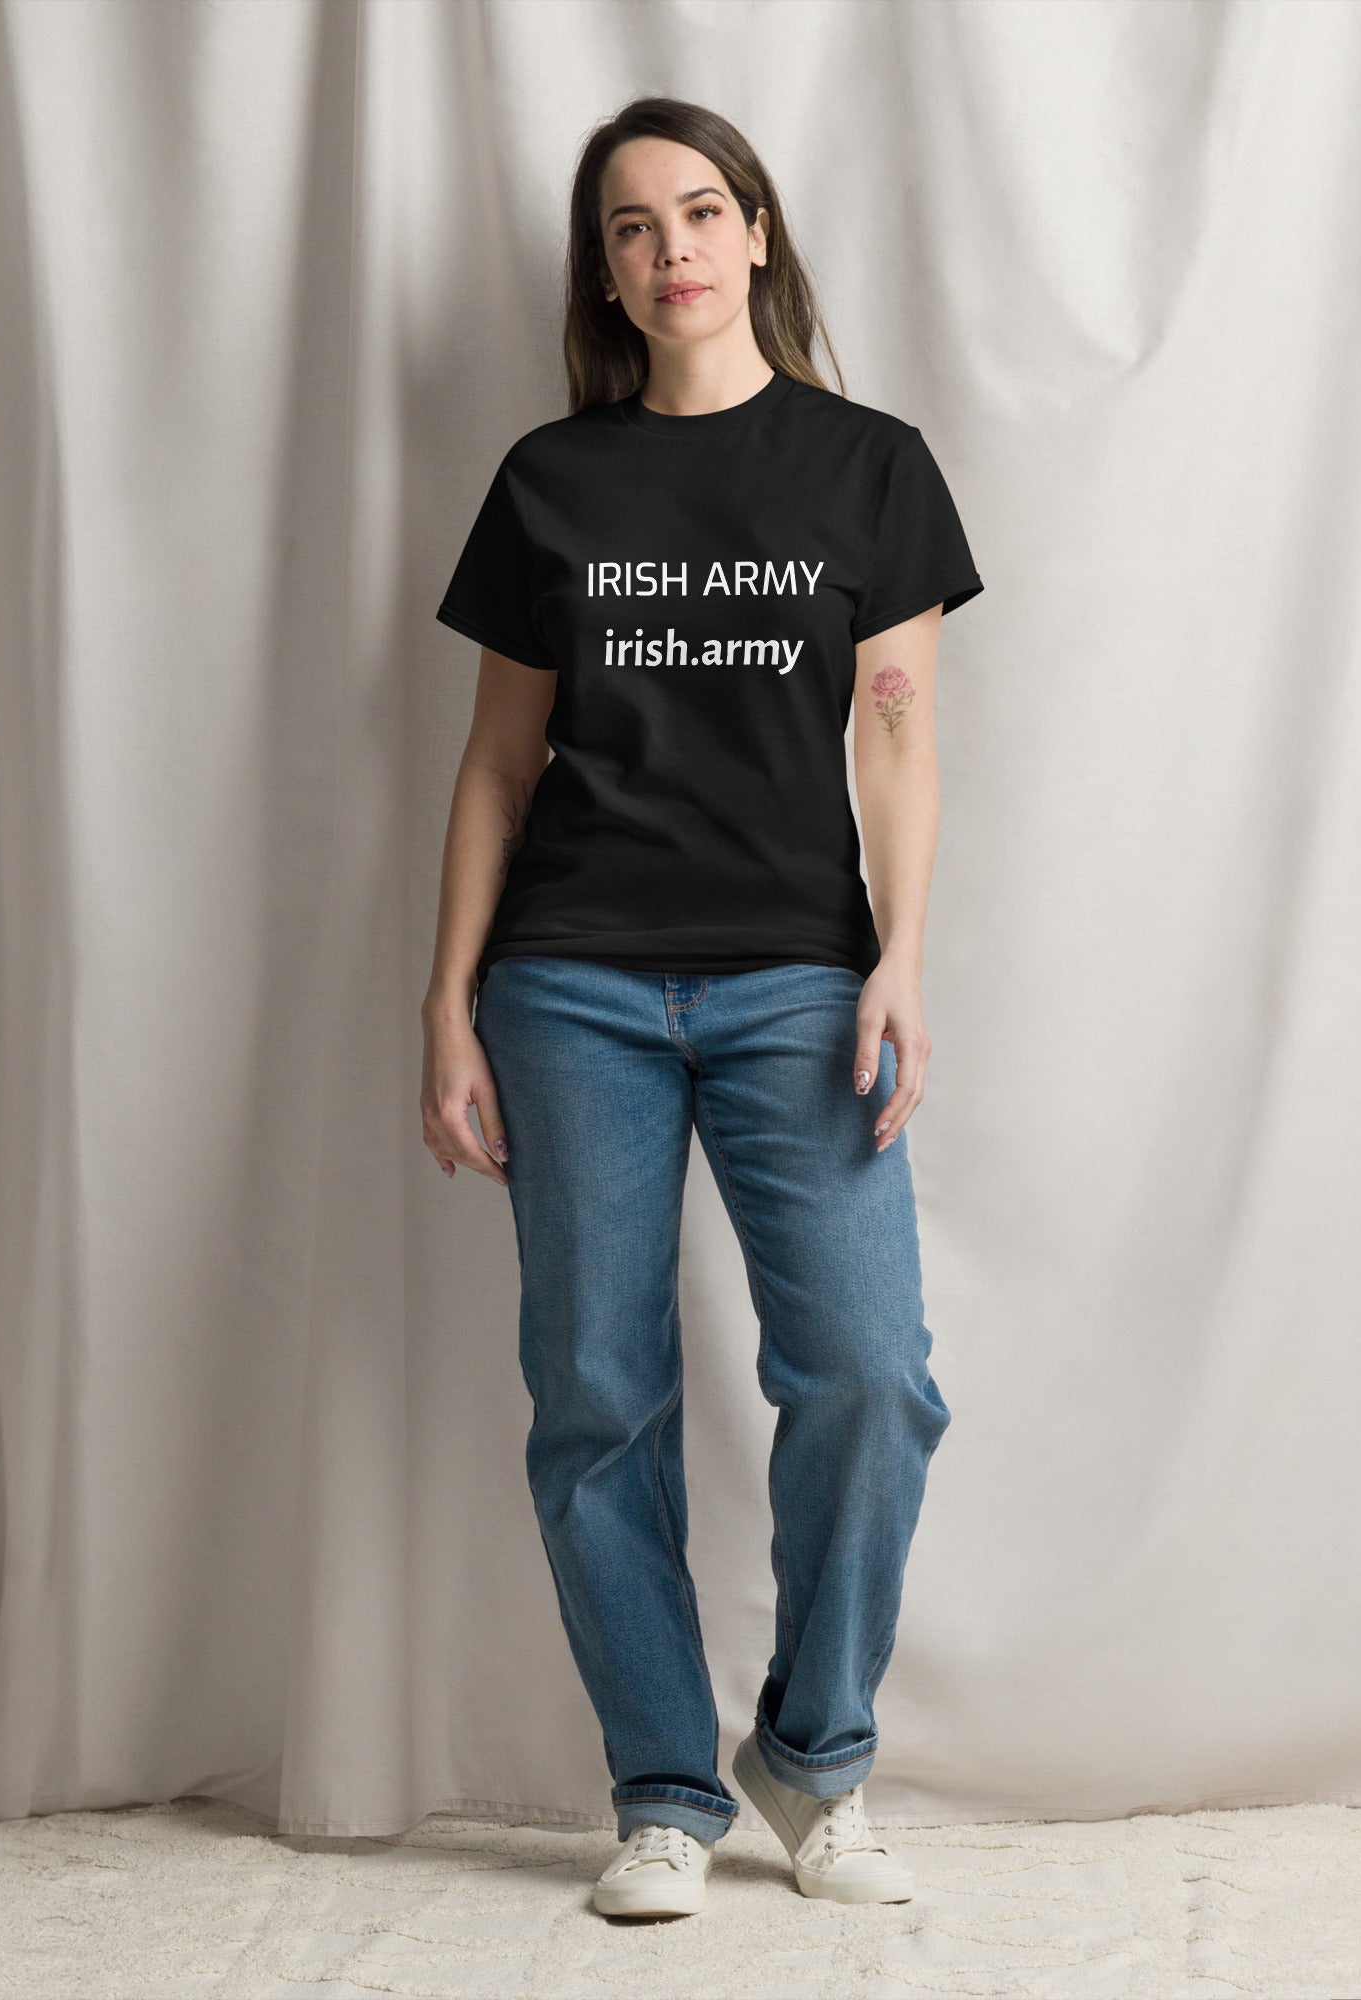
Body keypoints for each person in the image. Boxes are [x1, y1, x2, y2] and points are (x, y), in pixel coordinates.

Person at [419, 95, 982, 1922]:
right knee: (595, 1392)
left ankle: (810, 1758)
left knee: (871, 1382)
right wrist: (449, 1007)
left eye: (702, 212)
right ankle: (664, 1785)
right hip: (569, 985)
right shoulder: (551, 483)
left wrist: (902, 953)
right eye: (633, 228)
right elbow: (499, 768)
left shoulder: (868, 468)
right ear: (608, 272)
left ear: (758, 235)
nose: (672, 250)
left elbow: (895, 735)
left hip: (799, 983)